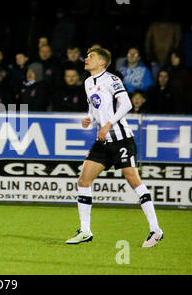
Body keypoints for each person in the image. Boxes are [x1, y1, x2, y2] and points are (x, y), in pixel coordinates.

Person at [66, 47, 163, 247]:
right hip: (103, 141)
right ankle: (85, 231)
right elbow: (94, 106)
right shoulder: (87, 82)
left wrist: (108, 124)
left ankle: (155, 229)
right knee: (84, 181)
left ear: (102, 62)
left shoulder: (111, 80)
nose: (86, 59)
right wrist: (90, 119)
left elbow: (126, 104)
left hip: (121, 139)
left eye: (90, 56)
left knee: (134, 180)